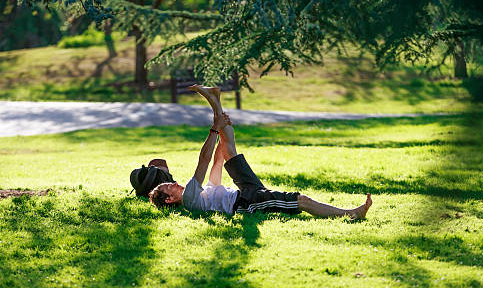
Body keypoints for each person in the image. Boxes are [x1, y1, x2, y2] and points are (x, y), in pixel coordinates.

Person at [149, 85, 372, 219]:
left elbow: (217, 162)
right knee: (299, 200)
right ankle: (351, 214)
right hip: (246, 202)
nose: (174, 182)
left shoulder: (203, 195)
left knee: (228, 149)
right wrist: (214, 129)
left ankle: (215, 100)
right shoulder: (189, 198)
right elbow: (204, 161)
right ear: (169, 200)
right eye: (169, 186)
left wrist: (221, 128)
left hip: (242, 191)